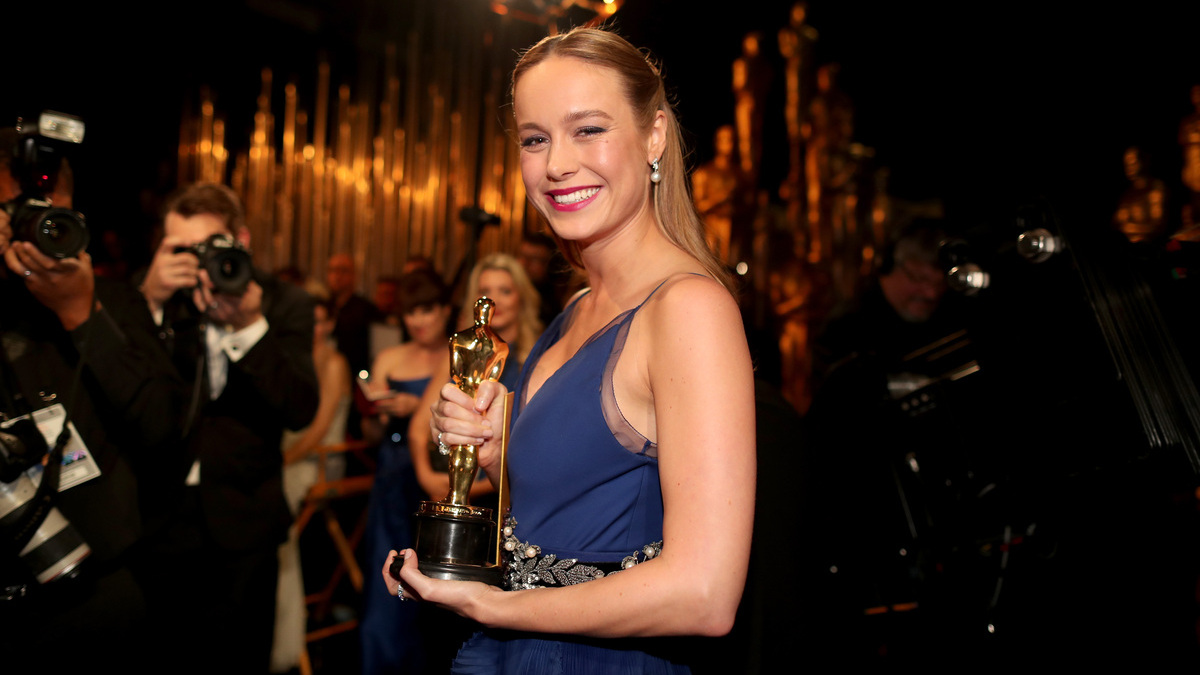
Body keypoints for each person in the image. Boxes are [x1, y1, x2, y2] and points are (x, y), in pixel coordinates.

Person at [383, 27, 756, 673]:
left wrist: (491, 605)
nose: (556, 163)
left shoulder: (688, 310)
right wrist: (498, 449)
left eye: (588, 130)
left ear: (656, 135)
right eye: (535, 138)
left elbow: (704, 594)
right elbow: (575, 504)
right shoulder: (577, 310)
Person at [0, 127, 183, 670]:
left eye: (53, 210)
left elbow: (165, 428)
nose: (41, 226)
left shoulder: (116, 303)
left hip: (103, 600)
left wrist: (81, 314)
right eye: (19, 210)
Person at [134, 182, 319, 673]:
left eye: (207, 248)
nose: (196, 263)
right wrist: (150, 301)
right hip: (157, 519)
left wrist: (249, 326)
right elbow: (117, 386)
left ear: (241, 240)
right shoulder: (155, 297)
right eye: (181, 250)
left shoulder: (284, 303)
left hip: (244, 524)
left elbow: (301, 407)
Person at [359, 267, 454, 674]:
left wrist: (417, 411)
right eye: (410, 311)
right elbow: (368, 434)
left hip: (435, 478)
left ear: (445, 310)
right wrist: (376, 412)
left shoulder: (459, 355)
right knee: (387, 586)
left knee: (435, 585)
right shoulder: (389, 358)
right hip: (391, 478)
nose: (418, 320)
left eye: (426, 309)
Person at [272, 291, 352, 673]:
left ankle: (284, 635)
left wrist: (281, 459)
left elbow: (320, 429)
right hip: (293, 454)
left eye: (323, 321)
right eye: (311, 321)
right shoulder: (293, 357)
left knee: (274, 501)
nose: (316, 329)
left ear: (332, 324)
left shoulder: (334, 362)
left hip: (322, 459)